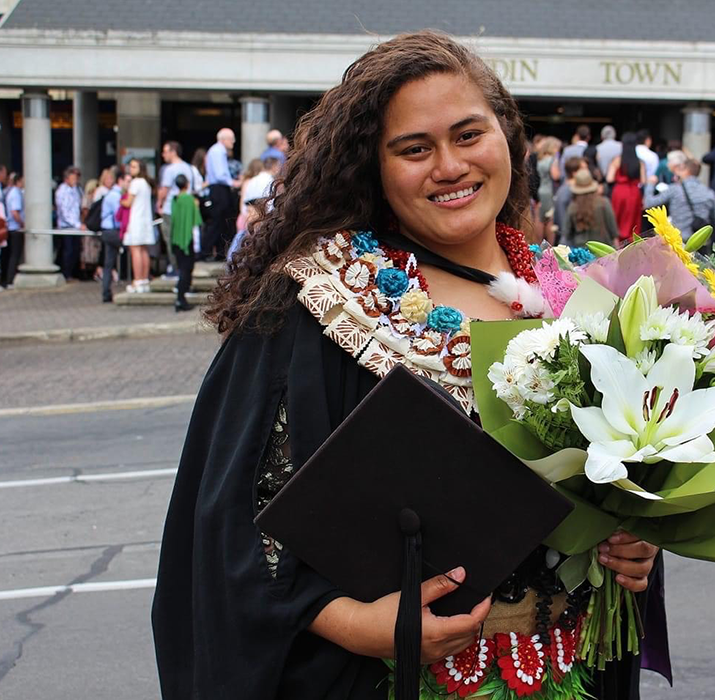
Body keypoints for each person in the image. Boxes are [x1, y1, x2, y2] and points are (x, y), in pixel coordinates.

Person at [152, 31, 663, 700]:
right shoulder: (314, 303)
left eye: (468, 134)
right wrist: (358, 625)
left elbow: (618, 493)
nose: (449, 166)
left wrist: (634, 546)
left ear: (508, 137)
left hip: (572, 673)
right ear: (374, 165)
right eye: (414, 149)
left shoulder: (581, 296)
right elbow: (230, 532)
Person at [642, 150, 715, 248]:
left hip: (677, 241)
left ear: (685, 170)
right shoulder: (708, 193)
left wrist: (650, 185)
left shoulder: (675, 189)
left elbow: (649, 203)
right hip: (700, 244)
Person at [157, 141, 196, 277]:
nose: (163, 155)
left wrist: (159, 204)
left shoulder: (170, 169)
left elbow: (164, 189)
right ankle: (184, 269)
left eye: (165, 151)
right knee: (185, 239)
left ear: (173, 152)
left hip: (171, 209)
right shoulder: (188, 168)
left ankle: (176, 268)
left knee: (171, 239)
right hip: (185, 210)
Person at [203, 127, 242, 260]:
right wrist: (233, 183)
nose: (233, 142)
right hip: (219, 189)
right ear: (224, 139)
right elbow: (220, 175)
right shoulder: (218, 151)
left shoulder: (217, 151)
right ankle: (206, 251)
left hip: (219, 188)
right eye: (232, 139)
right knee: (218, 221)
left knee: (222, 221)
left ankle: (219, 252)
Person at [170, 174, 203, 312]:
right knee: (186, 269)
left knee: (181, 268)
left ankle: (180, 298)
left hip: (177, 238)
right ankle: (180, 298)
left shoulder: (174, 199)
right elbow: (195, 221)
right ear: (187, 184)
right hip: (187, 238)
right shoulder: (189, 200)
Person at [122, 158, 156, 293]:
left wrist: (122, 196)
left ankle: (137, 280)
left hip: (136, 220)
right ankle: (144, 279)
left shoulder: (135, 183)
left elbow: (128, 202)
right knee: (144, 250)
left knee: (135, 250)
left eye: (134, 167)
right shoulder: (147, 183)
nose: (131, 169)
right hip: (146, 220)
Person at [562, 169, 618, 247]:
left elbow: (567, 233)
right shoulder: (604, 203)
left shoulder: (572, 207)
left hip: (581, 253)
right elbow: (613, 231)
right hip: (604, 249)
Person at [607, 131, 645, 242]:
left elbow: (609, 178)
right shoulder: (639, 161)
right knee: (633, 221)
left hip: (619, 191)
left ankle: (617, 242)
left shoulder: (617, 160)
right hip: (634, 193)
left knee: (617, 219)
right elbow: (643, 181)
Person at [99, 169, 127, 303]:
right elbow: (118, 216)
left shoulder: (110, 194)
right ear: (120, 181)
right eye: (127, 181)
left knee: (108, 263)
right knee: (132, 248)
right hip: (113, 231)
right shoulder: (116, 196)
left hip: (106, 231)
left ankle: (106, 292)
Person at [54, 165, 83, 280]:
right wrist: (77, 224)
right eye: (73, 178)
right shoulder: (62, 191)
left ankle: (72, 273)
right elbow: (64, 211)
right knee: (68, 250)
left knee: (75, 250)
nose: (75, 180)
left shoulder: (77, 189)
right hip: (67, 226)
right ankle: (66, 274)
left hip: (76, 226)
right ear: (66, 178)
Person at [553, 156, 587, 244]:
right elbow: (563, 222)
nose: (587, 171)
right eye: (584, 169)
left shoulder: (569, 190)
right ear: (574, 173)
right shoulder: (566, 192)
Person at [1, 172, 24, 288]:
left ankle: (7, 279)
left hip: (10, 228)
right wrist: (22, 223)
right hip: (15, 229)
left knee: (10, 255)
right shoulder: (15, 193)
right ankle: (10, 280)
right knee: (14, 255)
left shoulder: (9, 192)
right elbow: (15, 212)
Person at [535, 136, 560, 238]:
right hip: (550, 192)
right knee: (550, 220)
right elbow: (556, 175)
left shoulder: (541, 159)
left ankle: (539, 243)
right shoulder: (552, 160)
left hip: (542, 190)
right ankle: (550, 246)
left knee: (541, 219)